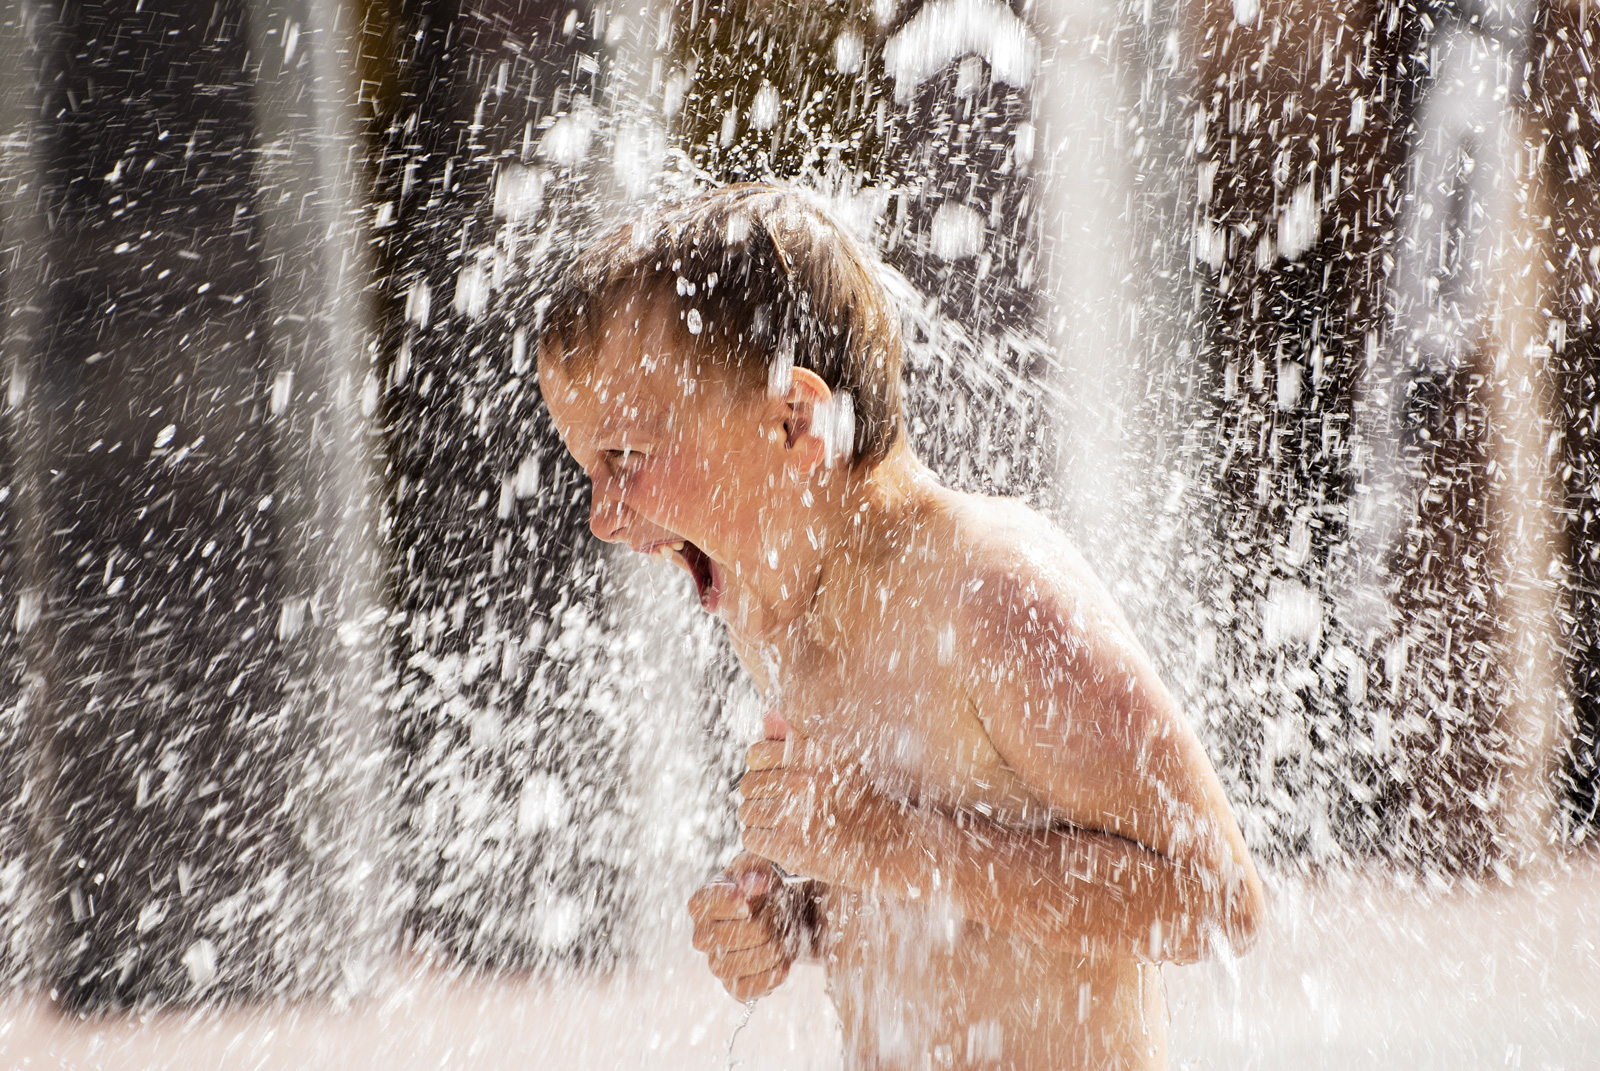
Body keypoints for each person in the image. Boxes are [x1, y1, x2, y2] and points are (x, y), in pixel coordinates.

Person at [538, 183, 1264, 1070]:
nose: (603, 517)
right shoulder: (774, 611)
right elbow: (921, 888)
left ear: (793, 420)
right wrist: (794, 911)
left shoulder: (989, 590)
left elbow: (1216, 898)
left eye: (625, 458)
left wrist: (882, 840)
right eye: (587, 467)